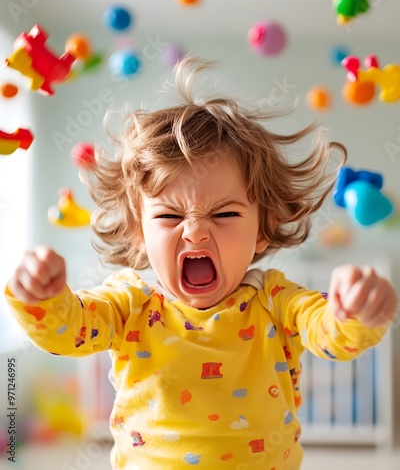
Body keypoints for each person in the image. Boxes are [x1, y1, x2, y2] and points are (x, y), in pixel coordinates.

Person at [5, 57, 398, 469]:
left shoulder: (277, 302)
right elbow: (70, 331)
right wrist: (42, 300)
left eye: (225, 214)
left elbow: (330, 332)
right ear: (140, 233)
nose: (194, 232)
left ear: (262, 229)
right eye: (169, 216)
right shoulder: (129, 303)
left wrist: (354, 312)